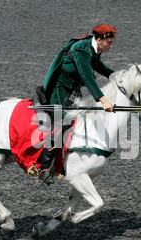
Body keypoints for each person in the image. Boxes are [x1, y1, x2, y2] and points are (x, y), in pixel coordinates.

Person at [38, 24, 117, 185]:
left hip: (72, 88)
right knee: (63, 121)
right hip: (59, 88)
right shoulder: (81, 48)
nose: (111, 45)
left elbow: (98, 67)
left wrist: (117, 76)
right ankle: (44, 168)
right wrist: (103, 99)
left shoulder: (94, 49)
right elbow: (86, 75)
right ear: (100, 39)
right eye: (109, 42)